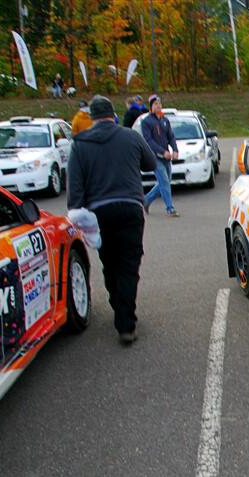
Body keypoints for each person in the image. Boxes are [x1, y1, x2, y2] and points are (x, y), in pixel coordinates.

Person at [66, 95, 157, 345]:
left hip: (99, 213)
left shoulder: (79, 144)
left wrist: (77, 212)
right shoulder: (130, 136)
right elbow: (150, 163)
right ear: (113, 114)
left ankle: (119, 304)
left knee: (110, 262)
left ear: (92, 118)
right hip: (130, 208)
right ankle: (125, 322)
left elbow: (74, 189)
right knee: (129, 264)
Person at [141, 94, 180, 217]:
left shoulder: (164, 120)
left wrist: (175, 149)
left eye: (159, 103)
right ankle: (170, 208)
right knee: (164, 181)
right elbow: (149, 141)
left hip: (166, 158)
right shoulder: (147, 122)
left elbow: (171, 136)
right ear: (151, 107)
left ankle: (146, 200)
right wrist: (162, 152)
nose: (158, 106)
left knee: (165, 182)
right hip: (154, 157)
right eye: (155, 104)